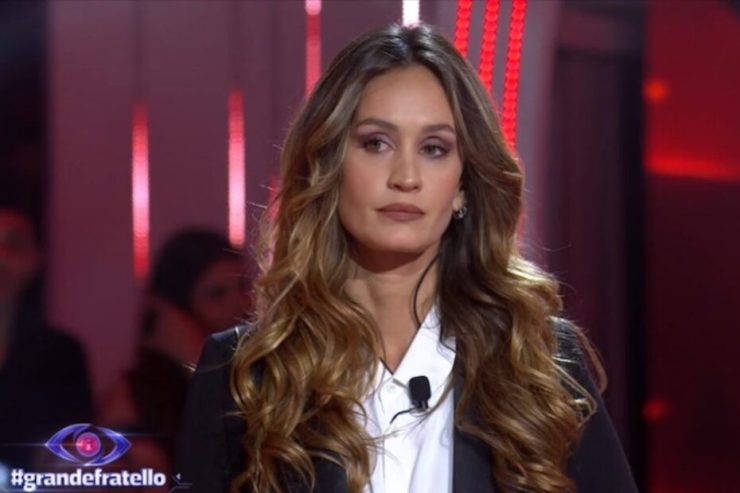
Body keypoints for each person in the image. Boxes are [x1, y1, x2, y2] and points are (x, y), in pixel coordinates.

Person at [175, 24, 637, 493]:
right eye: (376, 143)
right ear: (329, 165)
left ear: (462, 186)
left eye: (434, 149)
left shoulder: (538, 361)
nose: (406, 177)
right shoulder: (244, 375)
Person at [99, 228, 248, 481]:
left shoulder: (267, 372)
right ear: (176, 312)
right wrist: (199, 361)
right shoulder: (133, 394)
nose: (241, 305)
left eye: (244, 287)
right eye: (217, 294)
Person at [0, 201, 92, 474]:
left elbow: (69, 450)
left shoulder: (60, 354)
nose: (1, 256)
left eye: (13, 245)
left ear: (36, 259)